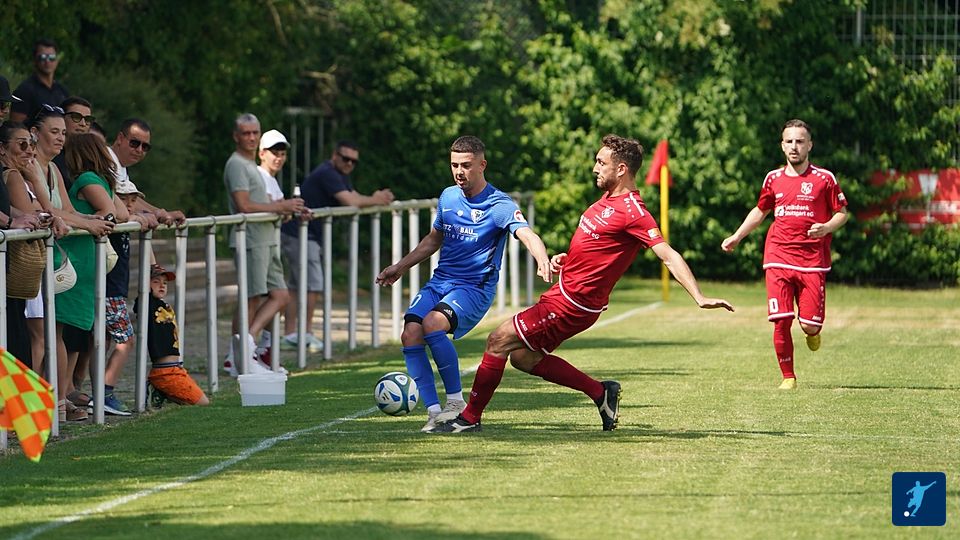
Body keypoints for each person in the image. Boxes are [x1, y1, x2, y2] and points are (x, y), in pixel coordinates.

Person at [431, 134, 734, 434]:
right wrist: (566, 260)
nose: (594, 168)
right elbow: (597, 249)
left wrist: (699, 296)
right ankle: (601, 392)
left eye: (601, 163)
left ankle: (468, 418)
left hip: (573, 303)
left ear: (621, 169)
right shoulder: (607, 200)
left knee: (498, 340)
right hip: (564, 294)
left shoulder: (633, 212)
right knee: (524, 358)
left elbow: (667, 254)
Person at [376, 135, 552, 432]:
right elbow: (434, 239)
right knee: (410, 333)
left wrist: (541, 258)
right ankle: (434, 412)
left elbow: (527, 234)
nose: (459, 171)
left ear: (482, 165)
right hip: (441, 282)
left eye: (466, 165)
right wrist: (400, 267)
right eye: (455, 165)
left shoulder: (499, 204)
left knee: (432, 323)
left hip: (474, 288)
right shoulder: (448, 197)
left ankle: (456, 403)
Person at [721, 119, 848, 390]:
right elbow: (760, 211)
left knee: (809, 325)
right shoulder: (773, 178)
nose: (794, 146)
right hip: (777, 256)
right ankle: (788, 376)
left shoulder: (824, 179)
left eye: (800, 141)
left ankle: (812, 331)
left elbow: (842, 213)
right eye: (789, 141)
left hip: (812, 261)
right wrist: (737, 236)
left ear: (810, 145)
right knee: (780, 320)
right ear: (782, 145)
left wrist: (826, 227)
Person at [280, 140, 394, 351]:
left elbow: (354, 196)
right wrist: (376, 199)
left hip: (303, 234)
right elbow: (350, 201)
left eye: (353, 161)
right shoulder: (328, 173)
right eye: (345, 158)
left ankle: (291, 334)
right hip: (300, 233)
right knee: (312, 283)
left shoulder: (338, 174)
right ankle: (304, 334)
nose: (349, 163)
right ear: (335, 156)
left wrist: (372, 199)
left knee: (298, 285)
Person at [223, 113, 304, 376]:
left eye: (254, 133)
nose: (250, 137)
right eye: (245, 133)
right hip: (251, 239)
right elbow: (244, 206)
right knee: (251, 298)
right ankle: (241, 356)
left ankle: (248, 346)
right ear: (236, 136)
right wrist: (281, 207)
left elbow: (264, 204)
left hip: (266, 239)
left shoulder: (250, 165)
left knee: (280, 295)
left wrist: (285, 208)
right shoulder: (236, 164)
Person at [57, 132, 128, 422]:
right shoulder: (101, 180)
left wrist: (91, 221)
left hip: (77, 259)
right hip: (86, 261)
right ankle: (64, 394)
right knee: (71, 332)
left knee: (61, 332)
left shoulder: (87, 179)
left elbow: (112, 213)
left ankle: (60, 398)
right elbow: (121, 213)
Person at [0, 121, 68, 372]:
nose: (30, 150)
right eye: (22, 145)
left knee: (23, 340)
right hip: (12, 272)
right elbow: (30, 212)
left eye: (31, 144)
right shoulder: (13, 176)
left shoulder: (16, 175)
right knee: (21, 343)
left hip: (14, 276)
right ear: (2, 148)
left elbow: (29, 213)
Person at [137, 264, 210, 407]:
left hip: (177, 368)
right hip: (164, 372)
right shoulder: (147, 304)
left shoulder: (163, 305)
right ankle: (159, 386)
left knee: (200, 401)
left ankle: (160, 391)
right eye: (156, 282)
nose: (162, 285)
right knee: (203, 403)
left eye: (165, 283)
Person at [10, 39, 70, 124]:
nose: (47, 61)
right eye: (42, 57)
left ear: (57, 60)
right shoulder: (24, 91)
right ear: (35, 60)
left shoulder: (62, 91)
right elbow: (15, 126)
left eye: (51, 57)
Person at [53, 95, 96, 190]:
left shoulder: (91, 157)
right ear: (62, 118)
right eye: (76, 117)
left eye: (87, 119)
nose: (83, 124)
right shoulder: (51, 153)